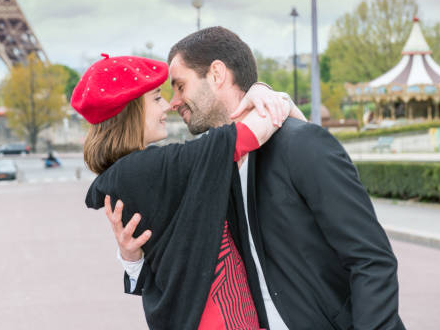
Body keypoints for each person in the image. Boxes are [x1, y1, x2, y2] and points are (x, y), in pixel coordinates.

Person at [110, 27, 406, 330]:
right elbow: (180, 264)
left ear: (216, 74)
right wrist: (131, 259)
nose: (174, 102)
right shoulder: (210, 168)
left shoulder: (301, 144)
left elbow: (371, 260)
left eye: (180, 86)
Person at [73, 53, 302, 329]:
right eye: (157, 98)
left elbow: (159, 266)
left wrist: (130, 259)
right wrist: (275, 98)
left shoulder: (124, 176)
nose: (168, 106)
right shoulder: (148, 168)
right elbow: (248, 134)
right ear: (132, 110)